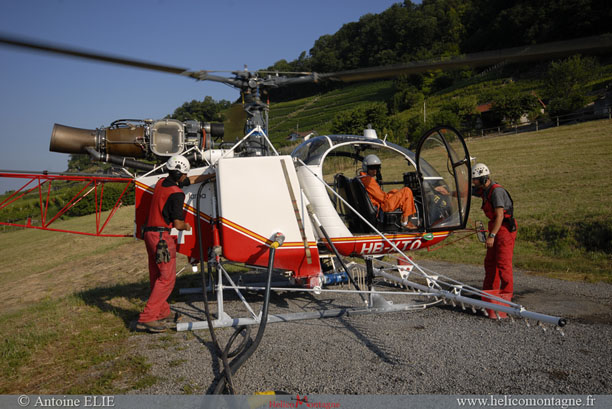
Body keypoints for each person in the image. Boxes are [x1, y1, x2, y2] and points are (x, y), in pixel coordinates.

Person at [136, 155, 215, 333]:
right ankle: (147, 318)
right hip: (162, 238)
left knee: (157, 276)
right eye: (184, 174)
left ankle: (162, 312)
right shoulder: (177, 194)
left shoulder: (162, 182)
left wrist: (209, 176)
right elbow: (178, 225)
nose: (185, 177)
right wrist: (187, 225)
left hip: (149, 234)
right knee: (167, 279)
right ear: (179, 173)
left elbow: (190, 179)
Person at [471, 163, 517, 315]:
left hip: (503, 229)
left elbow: (500, 216)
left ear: (484, 179)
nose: (474, 183)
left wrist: (492, 236)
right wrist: (448, 192)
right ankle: (489, 297)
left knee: (503, 264)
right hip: (495, 227)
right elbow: (467, 192)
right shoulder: (484, 190)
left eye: (476, 180)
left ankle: (505, 300)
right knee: (490, 263)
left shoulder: (496, 191)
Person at [357, 154, 416, 229]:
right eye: (372, 168)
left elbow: (379, 195)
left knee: (394, 191)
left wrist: (392, 194)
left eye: (377, 168)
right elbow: (382, 198)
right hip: (382, 207)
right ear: (366, 168)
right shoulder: (368, 180)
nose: (375, 170)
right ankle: (405, 221)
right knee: (406, 191)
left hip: (377, 204)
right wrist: (390, 196)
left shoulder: (362, 178)